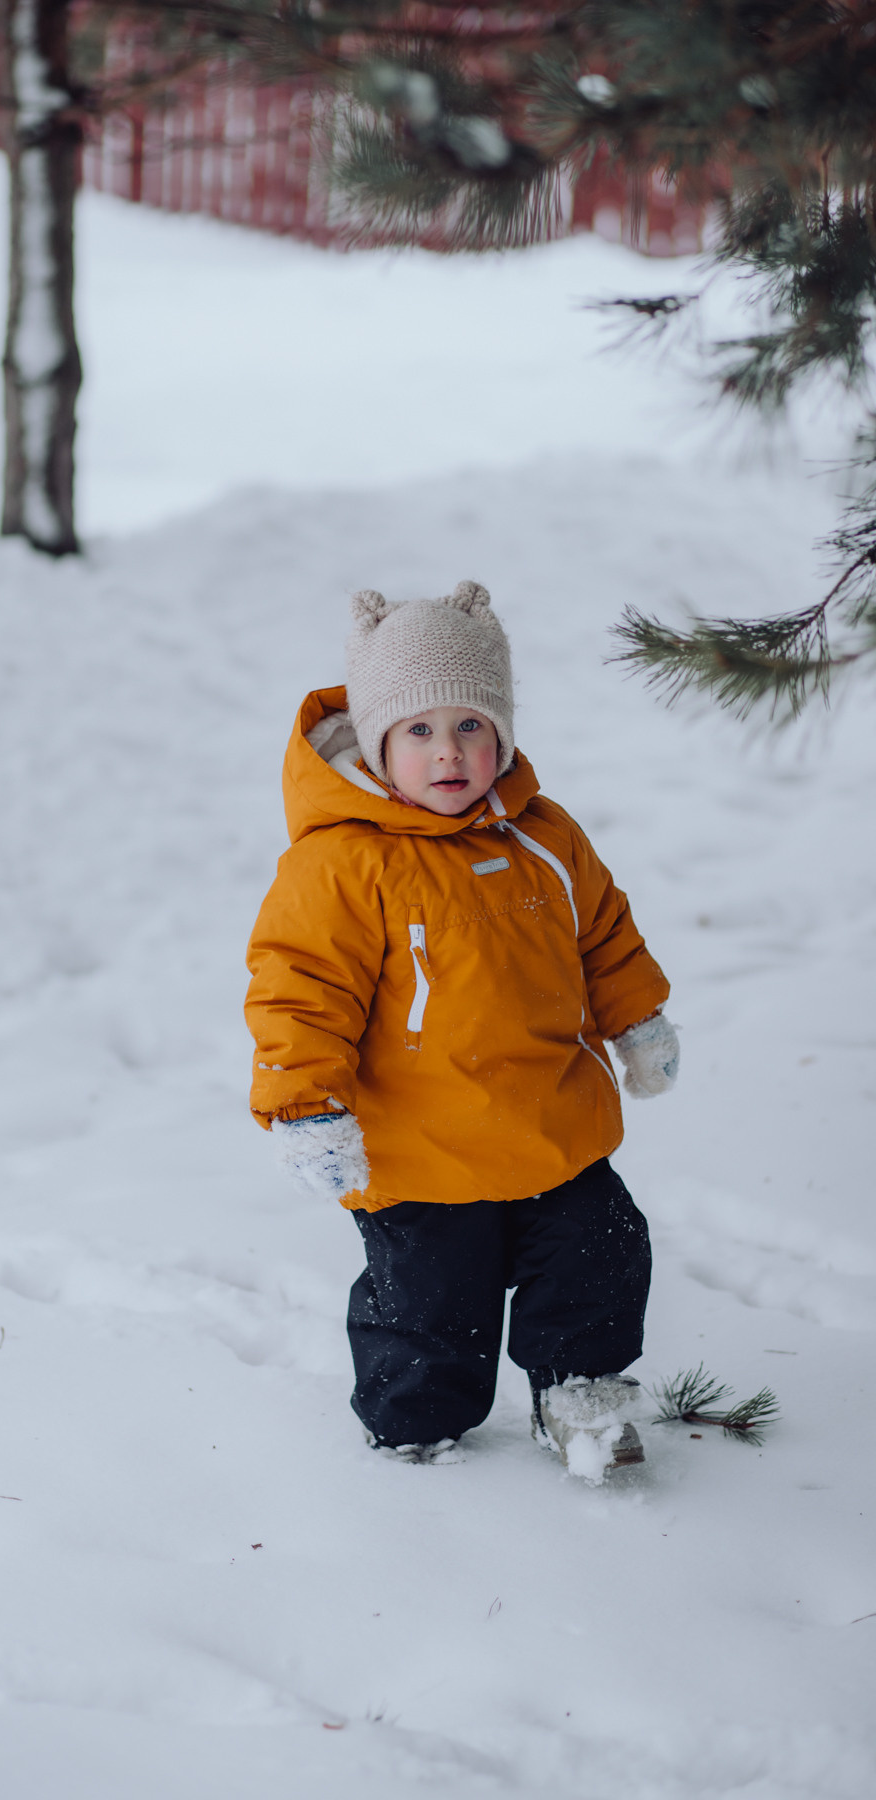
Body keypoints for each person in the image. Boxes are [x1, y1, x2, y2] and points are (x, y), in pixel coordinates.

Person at [244, 581, 679, 1481]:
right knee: (432, 1306)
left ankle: (583, 1399)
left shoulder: (545, 837)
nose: (449, 753)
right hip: (422, 1151)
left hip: (553, 1125)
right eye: (419, 731)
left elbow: (603, 932)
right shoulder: (342, 864)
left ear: (503, 735)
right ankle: (415, 1426)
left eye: (471, 726)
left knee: (600, 1254)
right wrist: (308, 1109)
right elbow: (300, 989)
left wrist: (636, 1018)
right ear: (377, 744)